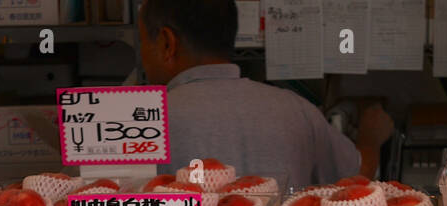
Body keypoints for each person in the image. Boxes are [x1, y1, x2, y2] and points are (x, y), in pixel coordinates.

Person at [138, 0, 394, 189]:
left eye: (142, 44)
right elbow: (356, 177)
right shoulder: (297, 110)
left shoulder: (142, 122)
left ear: (166, 43)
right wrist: (371, 136)